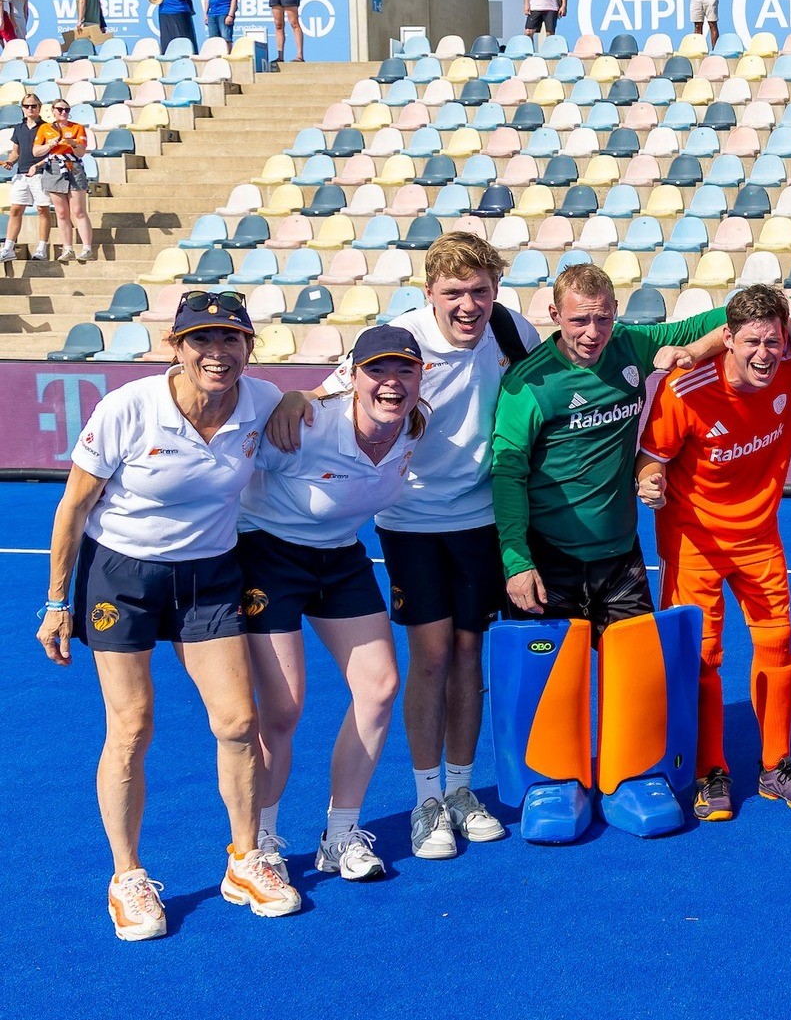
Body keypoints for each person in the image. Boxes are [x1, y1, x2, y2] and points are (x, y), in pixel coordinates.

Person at [37, 292, 298, 940]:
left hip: (208, 578)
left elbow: (326, 393)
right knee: (132, 725)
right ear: (174, 347)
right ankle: (126, 875)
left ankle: (244, 858)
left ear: (249, 347)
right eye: (202, 340)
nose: (218, 352)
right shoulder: (129, 407)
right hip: (121, 577)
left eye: (231, 338)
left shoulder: (262, 400)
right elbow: (72, 507)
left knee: (239, 720)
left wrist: (300, 397)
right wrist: (55, 601)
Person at [268, 232, 534, 860]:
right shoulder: (405, 340)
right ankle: (426, 801)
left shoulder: (514, 330)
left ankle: (463, 791)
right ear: (429, 295)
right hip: (411, 520)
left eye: (479, 292)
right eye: (453, 294)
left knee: (472, 655)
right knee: (433, 656)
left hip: (482, 518)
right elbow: (333, 391)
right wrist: (293, 394)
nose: (468, 306)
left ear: (495, 291)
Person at [634, 286, 791, 819]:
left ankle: (776, 766)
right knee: (703, 656)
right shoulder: (686, 387)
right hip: (693, 541)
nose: (763, 354)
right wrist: (649, 483)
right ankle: (710, 771)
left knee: (779, 644)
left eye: (773, 340)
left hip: (760, 537)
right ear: (729, 339)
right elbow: (651, 459)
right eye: (751, 342)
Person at [240, 326, 426, 885]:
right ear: (353, 375)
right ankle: (262, 841)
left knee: (380, 687)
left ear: (421, 377)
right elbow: (228, 470)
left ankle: (340, 835)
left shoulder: (416, 424)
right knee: (284, 709)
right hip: (267, 555)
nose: (391, 384)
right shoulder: (305, 426)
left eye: (405, 371)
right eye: (377, 371)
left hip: (340, 555)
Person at [490, 264, 728, 645]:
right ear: (555, 316)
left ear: (616, 309)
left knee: (640, 688)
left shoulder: (629, 344)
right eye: (579, 320)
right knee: (550, 696)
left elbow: (728, 316)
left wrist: (698, 348)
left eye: (602, 318)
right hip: (550, 559)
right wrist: (517, 563)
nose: (592, 332)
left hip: (621, 558)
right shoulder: (527, 383)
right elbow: (507, 475)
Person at [33, 98, 93, 264]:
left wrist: (73, 143)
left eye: (66, 109)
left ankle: (87, 247)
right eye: (60, 109)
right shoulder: (45, 128)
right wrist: (50, 145)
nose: (63, 112)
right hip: (54, 166)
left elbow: (81, 152)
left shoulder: (77, 127)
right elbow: (36, 151)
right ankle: (67, 248)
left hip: (73, 165)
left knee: (78, 210)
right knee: (61, 212)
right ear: (53, 110)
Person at [0, 92, 52, 263]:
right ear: (22, 108)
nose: (30, 109)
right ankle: (8, 248)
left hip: (41, 173)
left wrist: (39, 165)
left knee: (42, 210)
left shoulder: (47, 127)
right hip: (22, 174)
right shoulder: (19, 128)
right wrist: (10, 162)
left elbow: (52, 152)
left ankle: (42, 247)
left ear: (39, 107)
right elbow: (16, 152)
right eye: (26, 106)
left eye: (33, 106)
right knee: (15, 209)